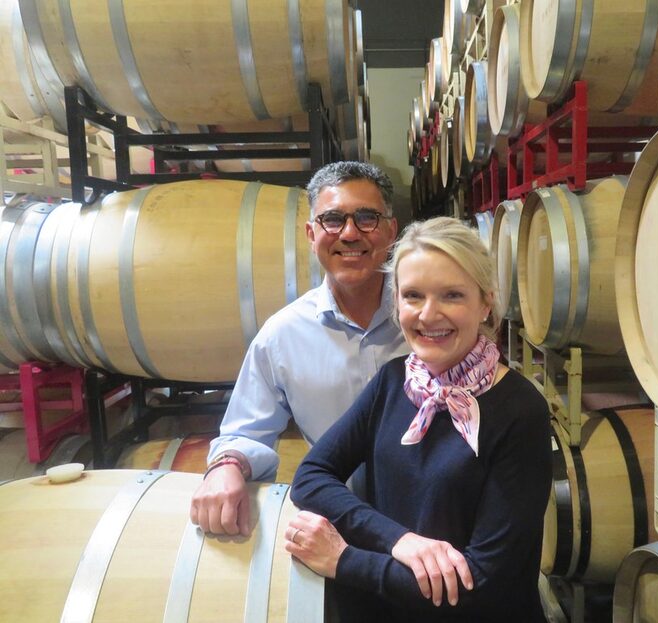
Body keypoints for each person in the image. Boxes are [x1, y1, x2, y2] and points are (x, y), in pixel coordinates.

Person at [285, 217, 553, 622]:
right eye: (413, 296)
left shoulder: (520, 409)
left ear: (486, 303)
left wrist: (344, 561)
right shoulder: (394, 382)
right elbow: (311, 476)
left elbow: (484, 584)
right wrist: (399, 540)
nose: (429, 315)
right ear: (396, 304)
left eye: (452, 295)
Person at [190, 161, 411, 536]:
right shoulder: (282, 336)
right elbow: (245, 432)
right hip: (341, 528)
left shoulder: (427, 318)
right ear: (311, 234)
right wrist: (226, 466)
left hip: (433, 522)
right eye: (332, 219)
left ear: (391, 231)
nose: (350, 233)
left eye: (367, 218)